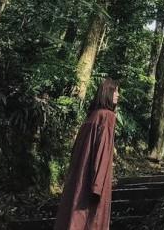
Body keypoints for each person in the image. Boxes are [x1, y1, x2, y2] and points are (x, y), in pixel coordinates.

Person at [54, 78, 118, 230]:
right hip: (93, 182)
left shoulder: (91, 116)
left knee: (74, 219)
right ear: (107, 93)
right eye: (115, 91)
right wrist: (98, 186)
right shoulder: (107, 116)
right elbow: (102, 152)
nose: (118, 95)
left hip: (79, 179)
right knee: (91, 221)